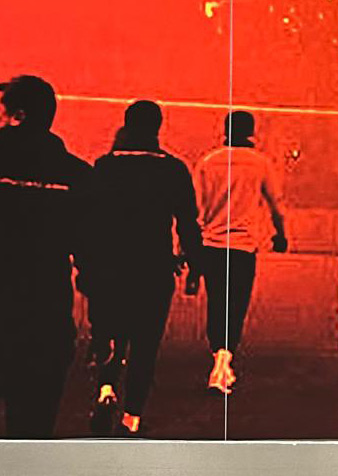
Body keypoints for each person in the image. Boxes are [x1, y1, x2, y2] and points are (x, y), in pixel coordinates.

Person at [85, 100, 203, 437]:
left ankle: (106, 388)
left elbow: (91, 221)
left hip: (111, 267)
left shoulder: (105, 166)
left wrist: (88, 266)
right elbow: (187, 223)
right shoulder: (174, 169)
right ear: (158, 127)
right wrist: (195, 266)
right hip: (154, 268)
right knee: (145, 344)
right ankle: (132, 416)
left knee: (112, 333)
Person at [0, 75, 92, 437]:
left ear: (18, 116)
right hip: (45, 323)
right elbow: (92, 257)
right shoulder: (78, 175)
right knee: (32, 431)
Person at [194, 110, 288, 395]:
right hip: (242, 247)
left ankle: (219, 360)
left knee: (216, 304)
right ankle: (222, 365)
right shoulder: (260, 163)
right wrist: (280, 234)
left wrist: (187, 249)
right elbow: (276, 204)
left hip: (212, 246)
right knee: (235, 306)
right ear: (251, 132)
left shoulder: (208, 162)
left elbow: (196, 211)